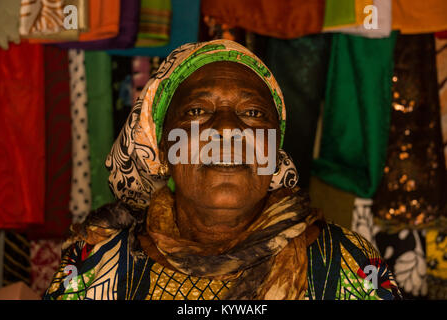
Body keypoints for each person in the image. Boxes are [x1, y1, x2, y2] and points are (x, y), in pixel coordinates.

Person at [45, 40, 401, 300]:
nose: (229, 129)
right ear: (162, 147)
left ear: (274, 152)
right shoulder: (98, 269)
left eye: (254, 113)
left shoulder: (346, 265)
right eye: (198, 111)